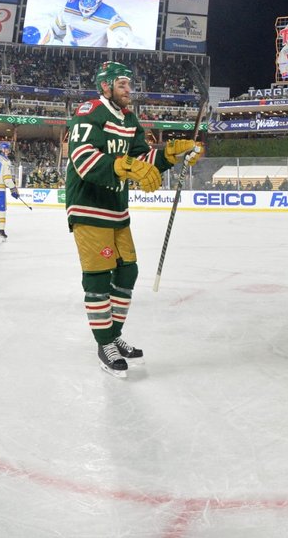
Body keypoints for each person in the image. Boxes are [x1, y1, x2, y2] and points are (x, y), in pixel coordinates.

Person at [65, 61, 204, 377]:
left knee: (128, 272)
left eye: (129, 84)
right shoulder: (90, 113)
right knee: (99, 277)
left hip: (116, 208)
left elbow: (142, 158)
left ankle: (113, 335)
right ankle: (104, 344)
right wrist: (124, 167)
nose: (129, 90)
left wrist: (173, 154)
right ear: (106, 87)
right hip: (88, 206)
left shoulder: (129, 119)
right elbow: (84, 160)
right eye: (123, 84)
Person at [48, 0, 133, 48]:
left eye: (88, 10)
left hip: (95, 55)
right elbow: (57, 30)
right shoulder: (70, 6)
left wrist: (121, 37)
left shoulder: (109, 14)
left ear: (97, 5)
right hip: (69, 51)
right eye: (83, 9)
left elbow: (123, 27)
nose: (84, 12)